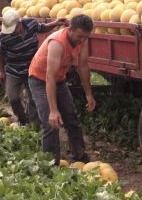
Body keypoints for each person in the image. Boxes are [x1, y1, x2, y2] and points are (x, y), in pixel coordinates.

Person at [28, 14, 96, 165]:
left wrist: (88, 94)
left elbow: (83, 66)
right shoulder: (57, 43)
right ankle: (51, 165)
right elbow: (49, 77)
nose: (83, 40)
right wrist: (53, 110)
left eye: (86, 37)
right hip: (39, 79)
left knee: (71, 117)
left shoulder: (81, 39)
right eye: (80, 36)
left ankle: (79, 156)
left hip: (59, 79)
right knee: (51, 123)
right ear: (69, 29)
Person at [0, 9, 66, 128]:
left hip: (32, 68)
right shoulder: (3, 37)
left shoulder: (30, 23)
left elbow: (43, 28)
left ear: (19, 23)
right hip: (13, 70)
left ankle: (35, 126)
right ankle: (23, 120)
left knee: (34, 98)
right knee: (13, 97)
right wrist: (1, 71)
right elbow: (0, 53)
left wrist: (56, 23)